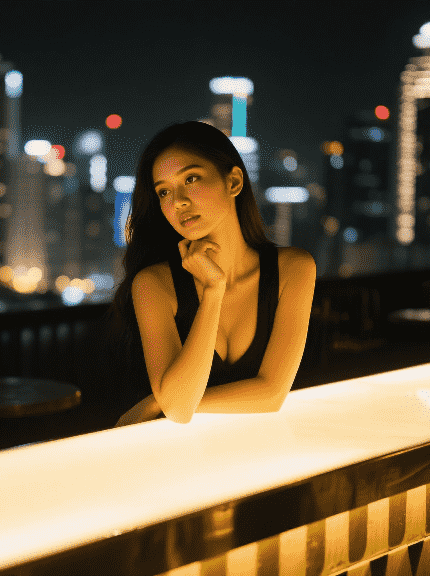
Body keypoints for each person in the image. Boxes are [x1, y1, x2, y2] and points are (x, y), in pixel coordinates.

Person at [102, 120, 316, 427]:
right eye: (164, 191)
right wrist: (213, 291)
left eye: (190, 178)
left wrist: (156, 402)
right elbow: (179, 409)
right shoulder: (153, 284)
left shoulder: (294, 269)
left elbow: (272, 395)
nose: (178, 201)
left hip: (260, 448)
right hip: (170, 451)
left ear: (234, 182)